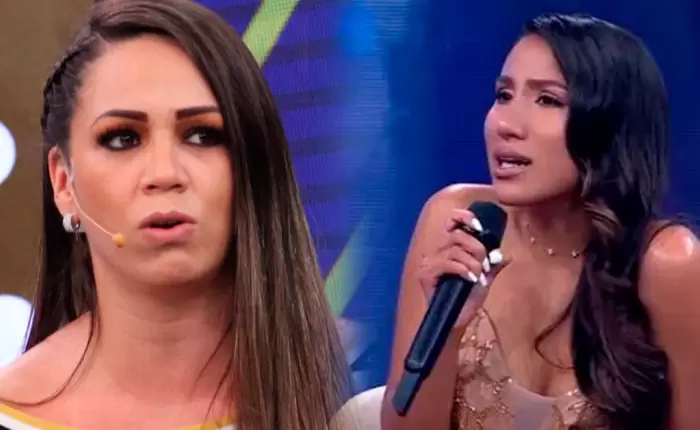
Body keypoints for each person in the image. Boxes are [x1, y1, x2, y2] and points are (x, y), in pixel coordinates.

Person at [0, 0, 353, 429]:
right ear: (63, 183)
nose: (165, 174)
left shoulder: (374, 390)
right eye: (123, 139)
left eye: (203, 135)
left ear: (253, 165)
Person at [382, 12, 700, 430]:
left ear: (609, 126)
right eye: (503, 95)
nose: (506, 125)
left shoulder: (668, 263)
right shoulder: (455, 219)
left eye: (548, 100)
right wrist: (449, 335)